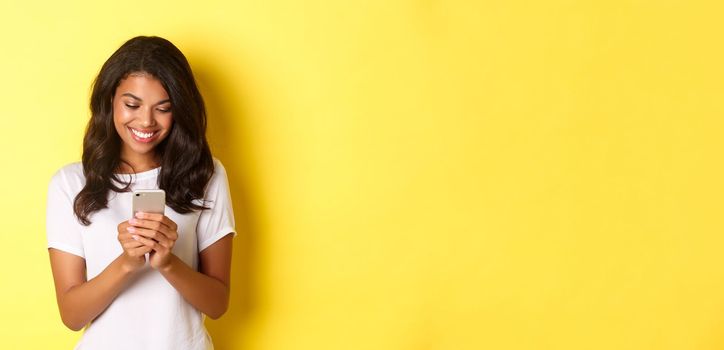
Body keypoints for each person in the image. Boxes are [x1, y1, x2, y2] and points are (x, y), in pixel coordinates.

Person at [46, 36, 235, 350]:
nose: (146, 121)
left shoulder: (206, 175)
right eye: (132, 105)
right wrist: (127, 263)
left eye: (163, 108)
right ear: (110, 101)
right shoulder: (70, 183)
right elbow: (72, 315)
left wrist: (168, 263)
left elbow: (217, 304)